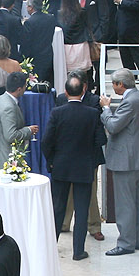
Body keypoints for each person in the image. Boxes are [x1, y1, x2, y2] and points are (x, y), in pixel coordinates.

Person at [41, 75, 106, 261]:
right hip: (84, 168)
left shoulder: (57, 113)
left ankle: (51, 248)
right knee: (82, 209)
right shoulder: (92, 114)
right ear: (83, 91)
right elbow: (101, 140)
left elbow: (46, 142)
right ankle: (78, 251)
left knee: (58, 208)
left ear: (66, 92)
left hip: (61, 167)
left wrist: (51, 160)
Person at [100, 69, 139, 254]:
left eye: (114, 84)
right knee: (138, 200)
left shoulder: (129, 101)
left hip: (125, 160)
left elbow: (113, 126)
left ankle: (125, 244)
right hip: (138, 157)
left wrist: (106, 109)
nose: (113, 87)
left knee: (125, 203)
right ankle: (136, 240)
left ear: (120, 85)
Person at [0, 71, 35, 172]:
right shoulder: (8, 107)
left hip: (0, 153)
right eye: (25, 86)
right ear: (19, 89)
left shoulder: (0, 99)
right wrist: (29, 130)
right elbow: (10, 135)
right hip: (6, 158)